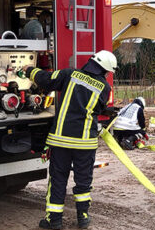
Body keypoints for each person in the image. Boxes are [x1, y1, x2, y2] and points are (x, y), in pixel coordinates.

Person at [26, 50, 117, 230]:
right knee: (83, 182)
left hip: (61, 141)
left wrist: (29, 70)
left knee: (58, 180)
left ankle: (54, 220)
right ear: (104, 70)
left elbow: (46, 80)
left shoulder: (69, 74)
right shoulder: (105, 88)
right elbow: (99, 108)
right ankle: (83, 217)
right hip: (85, 143)